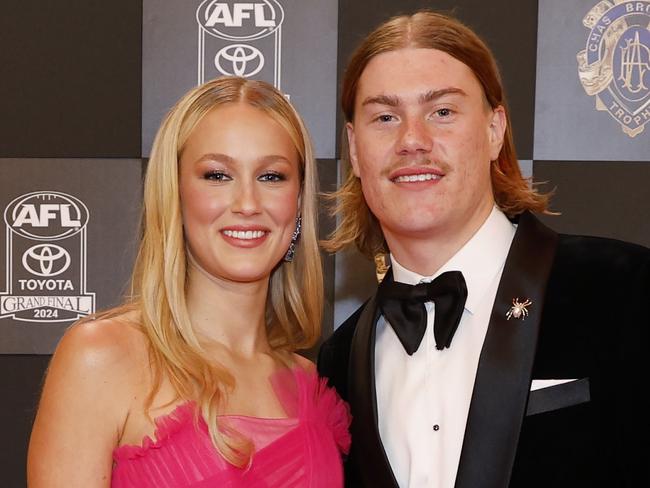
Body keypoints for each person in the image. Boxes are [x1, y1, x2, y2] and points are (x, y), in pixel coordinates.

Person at [318, 10, 649, 488]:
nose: (412, 139)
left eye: (443, 112)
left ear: (495, 130)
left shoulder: (624, 290)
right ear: (354, 147)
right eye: (385, 117)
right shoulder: (339, 358)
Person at [28, 76, 351, 487]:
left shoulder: (308, 383)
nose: (248, 204)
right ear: (175, 194)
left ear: (299, 201)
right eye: (217, 176)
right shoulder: (102, 359)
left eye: (272, 177)